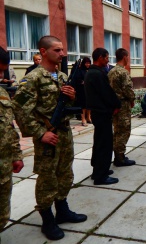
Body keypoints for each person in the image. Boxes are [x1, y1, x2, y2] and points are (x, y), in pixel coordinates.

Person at [13, 36, 87, 240]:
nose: (62, 54)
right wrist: (40, 134)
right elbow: (20, 111)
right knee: (47, 179)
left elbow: (67, 103)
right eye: (57, 50)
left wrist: (72, 95)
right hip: (47, 135)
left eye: (63, 50)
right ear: (43, 51)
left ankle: (62, 210)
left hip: (64, 133)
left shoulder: (62, 77)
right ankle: (47, 220)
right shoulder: (33, 79)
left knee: (65, 174)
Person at [85, 48, 121, 185]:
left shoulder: (93, 72)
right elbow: (107, 94)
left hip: (98, 112)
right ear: (100, 57)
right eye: (106, 58)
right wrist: (116, 104)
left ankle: (98, 170)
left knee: (99, 142)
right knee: (104, 144)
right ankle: (101, 175)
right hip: (102, 113)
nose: (108, 61)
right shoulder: (97, 74)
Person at [0, 47, 24, 234]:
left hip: (4, 167)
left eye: (2, 71)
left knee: (2, 216)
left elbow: (9, 126)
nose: (1, 76)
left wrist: (16, 154)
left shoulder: (2, 93)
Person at [108, 48, 136, 167]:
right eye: (128, 57)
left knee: (117, 130)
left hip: (114, 104)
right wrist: (132, 99)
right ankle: (120, 157)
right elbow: (127, 89)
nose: (128, 59)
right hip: (123, 104)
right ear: (124, 57)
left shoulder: (111, 71)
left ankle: (117, 155)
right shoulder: (123, 72)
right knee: (124, 131)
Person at [73, 57, 91, 126]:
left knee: (89, 105)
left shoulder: (90, 70)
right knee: (83, 105)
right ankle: (83, 119)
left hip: (89, 90)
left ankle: (88, 117)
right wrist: (83, 82)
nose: (88, 65)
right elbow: (77, 80)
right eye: (86, 63)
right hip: (82, 90)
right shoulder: (80, 70)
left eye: (89, 63)